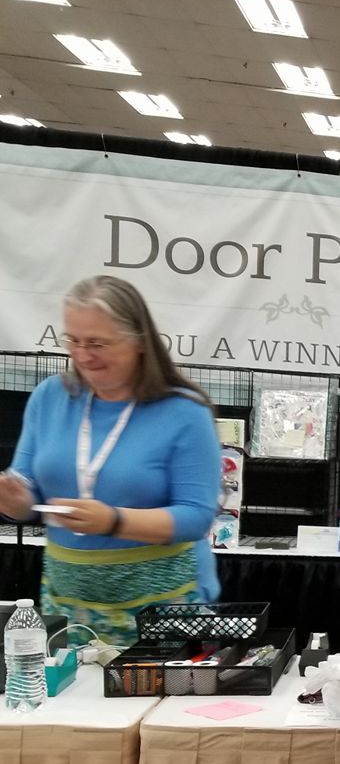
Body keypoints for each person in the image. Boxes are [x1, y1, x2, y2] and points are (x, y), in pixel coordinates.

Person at [0, 275, 220, 647]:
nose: (83, 356)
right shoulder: (50, 397)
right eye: (73, 341)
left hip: (164, 609)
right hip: (70, 607)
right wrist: (14, 499)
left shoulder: (185, 412)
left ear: (139, 341)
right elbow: (26, 489)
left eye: (97, 343)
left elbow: (196, 516)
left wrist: (114, 522)